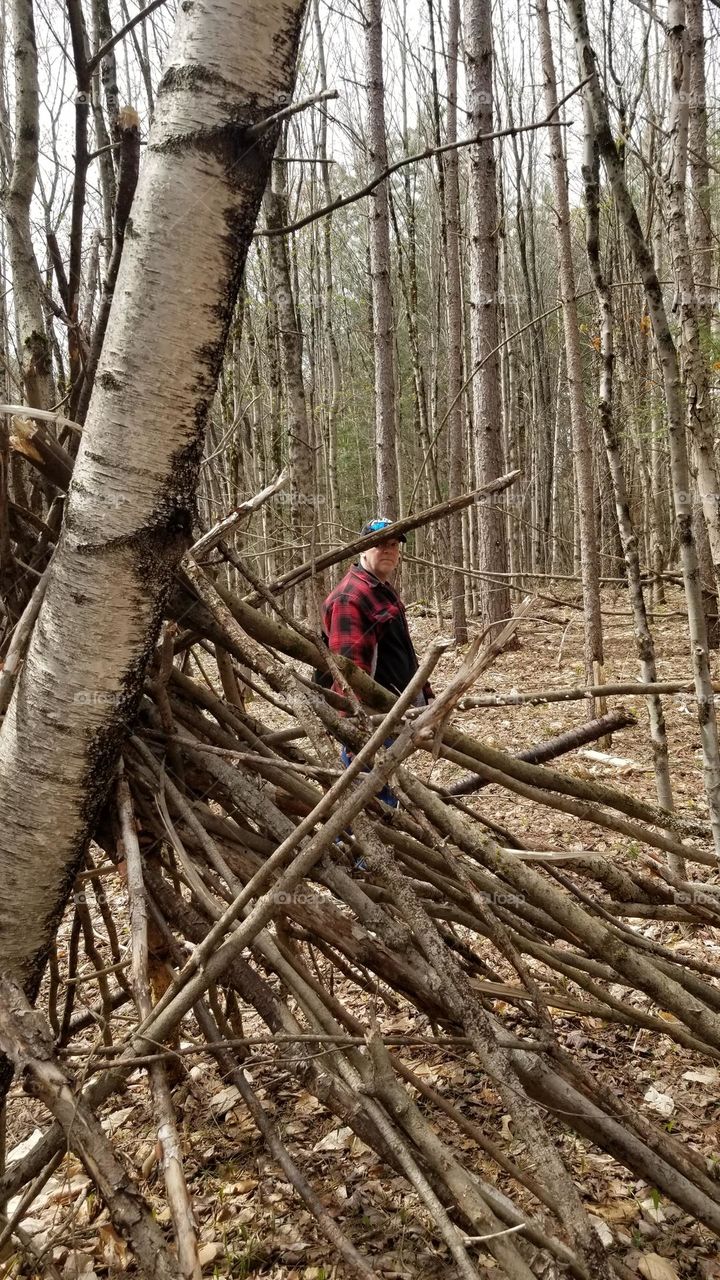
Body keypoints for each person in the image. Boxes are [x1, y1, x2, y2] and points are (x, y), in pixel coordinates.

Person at [321, 517, 433, 813]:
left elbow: (402, 649)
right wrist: (354, 731)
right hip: (370, 719)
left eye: (394, 544)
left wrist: (425, 692)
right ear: (363, 548)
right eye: (380, 543)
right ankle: (364, 859)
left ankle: (380, 854)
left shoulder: (383, 589)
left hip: (392, 710)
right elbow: (347, 670)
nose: (388, 550)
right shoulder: (350, 597)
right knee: (370, 801)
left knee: (385, 792)